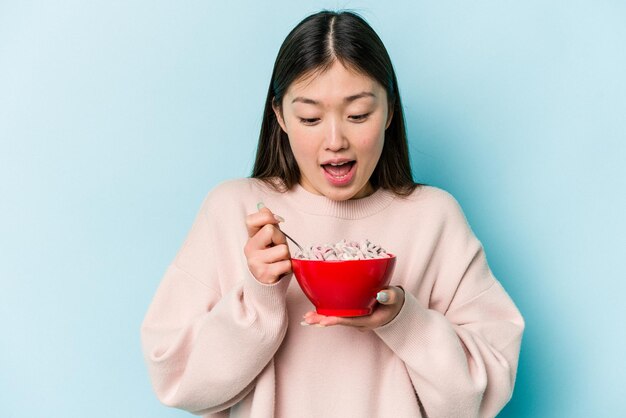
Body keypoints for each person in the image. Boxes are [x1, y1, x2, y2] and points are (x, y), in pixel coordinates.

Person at [140, 10, 524, 418]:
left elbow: (485, 392)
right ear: (280, 117)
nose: (335, 140)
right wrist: (258, 295)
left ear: (390, 111)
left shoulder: (434, 218)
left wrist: (405, 322)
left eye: (358, 115)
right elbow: (177, 379)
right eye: (310, 118)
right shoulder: (232, 210)